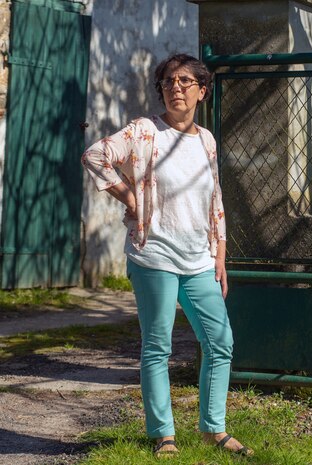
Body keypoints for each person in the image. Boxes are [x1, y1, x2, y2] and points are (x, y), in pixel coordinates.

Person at [81, 53, 252, 457]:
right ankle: (164, 434)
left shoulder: (206, 139)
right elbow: (95, 155)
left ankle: (214, 428)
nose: (176, 87)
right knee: (158, 346)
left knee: (220, 342)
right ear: (161, 89)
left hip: (199, 259)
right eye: (168, 81)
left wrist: (221, 255)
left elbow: (216, 200)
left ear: (201, 91)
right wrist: (129, 197)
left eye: (185, 81)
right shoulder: (145, 131)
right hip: (154, 255)